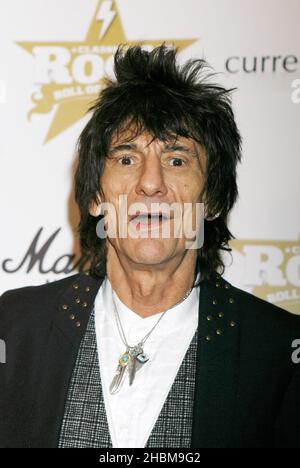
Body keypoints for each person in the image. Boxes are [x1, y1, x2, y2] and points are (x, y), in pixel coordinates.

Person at [0, 44, 299, 448]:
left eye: (177, 160)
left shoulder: (278, 351)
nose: (151, 182)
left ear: (210, 198)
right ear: (94, 198)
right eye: (126, 159)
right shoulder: (15, 329)